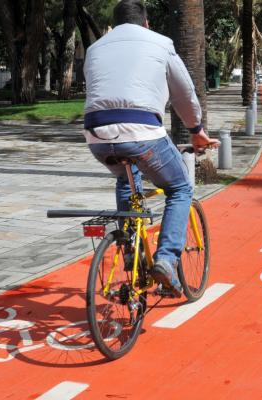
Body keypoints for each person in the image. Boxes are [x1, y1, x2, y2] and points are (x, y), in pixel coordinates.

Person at [83, 0, 219, 297]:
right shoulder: (161, 43)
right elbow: (184, 93)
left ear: (114, 24)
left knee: (124, 178)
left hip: (97, 136)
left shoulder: (95, 48)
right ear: (146, 23)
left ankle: (130, 252)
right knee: (180, 188)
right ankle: (166, 260)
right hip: (143, 133)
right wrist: (196, 131)